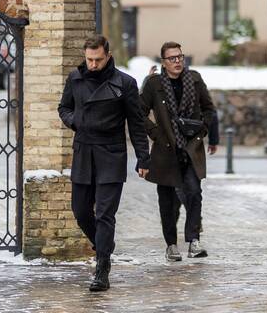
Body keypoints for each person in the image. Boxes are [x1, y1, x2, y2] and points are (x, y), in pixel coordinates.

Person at [58, 35, 150, 292]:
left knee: (105, 215)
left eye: (98, 59)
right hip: (83, 151)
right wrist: (75, 120)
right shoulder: (75, 78)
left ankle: (102, 269)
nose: (93, 64)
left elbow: (137, 123)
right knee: (80, 211)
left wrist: (143, 157)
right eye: (89, 59)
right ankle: (104, 245)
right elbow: (63, 107)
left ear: (108, 56)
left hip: (111, 154)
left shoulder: (125, 83)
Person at [140, 42, 218, 262]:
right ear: (163, 62)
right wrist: (155, 132)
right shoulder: (154, 84)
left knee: (194, 193)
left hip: (191, 148)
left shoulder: (194, 79)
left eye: (180, 57)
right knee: (167, 201)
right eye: (172, 58)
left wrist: (202, 128)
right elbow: (139, 112)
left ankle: (193, 240)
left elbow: (209, 108)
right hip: (165, 151)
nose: (177, 62)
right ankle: (171, 245)